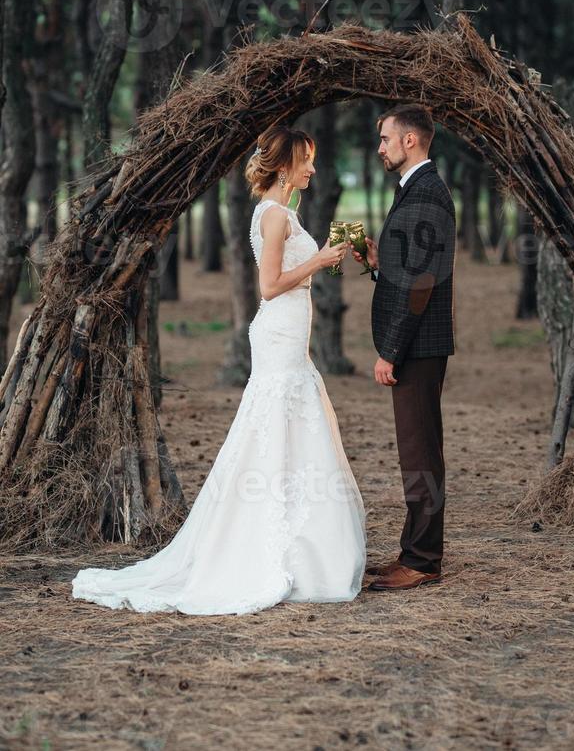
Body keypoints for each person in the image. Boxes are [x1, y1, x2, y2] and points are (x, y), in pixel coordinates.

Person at [72, 124, 366, 615]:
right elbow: (269, 286)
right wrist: (319, 261)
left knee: (291, 427)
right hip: (278, 331)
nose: (314, 168)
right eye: (307, 159)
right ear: (285, 166)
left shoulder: (281, 212)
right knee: (274, 426)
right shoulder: (274, 216)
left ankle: (300, 540)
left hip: (289, 336)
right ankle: (270, 545)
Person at [350, 103, 456, 592]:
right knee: (415, 451)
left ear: (410, 140)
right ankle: (413, 551)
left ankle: (422, 560)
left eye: (386, 139)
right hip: (416, 343)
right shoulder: (415, 189)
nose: (380, 148)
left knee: (420, 453)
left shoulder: (427, 192)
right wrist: (378, 260)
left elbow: (421, 285)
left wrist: (390, 351)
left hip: (418, 346)